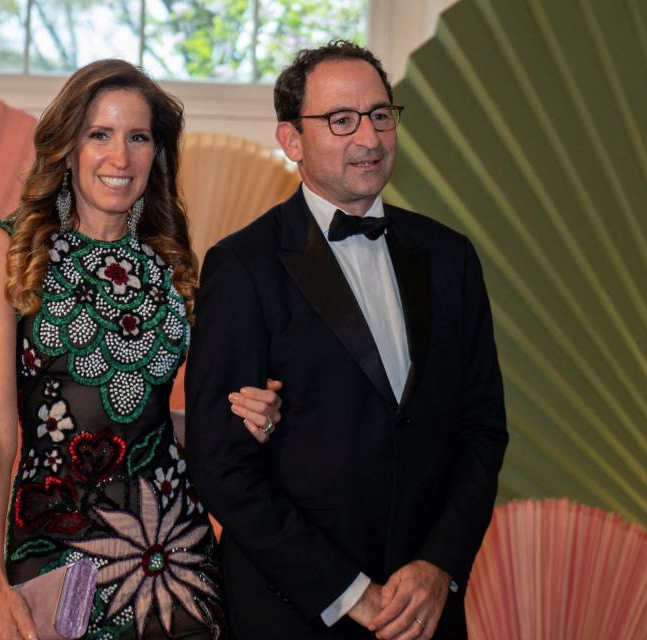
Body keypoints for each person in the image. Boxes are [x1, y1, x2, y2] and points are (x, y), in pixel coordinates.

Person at [185, 41, 508, 639]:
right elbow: (220, 462)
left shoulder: (451, 257)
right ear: (291, 140)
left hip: (425, 611)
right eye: (341, 120)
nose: (370, 137)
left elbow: (483, 429)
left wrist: (439, 565)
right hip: (293, 612)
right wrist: (349, 592)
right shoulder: (242, 265)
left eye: (381, 115)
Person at [0, 59, 284, 640]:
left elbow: (151, 420)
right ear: (67, 146)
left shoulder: (176, 266)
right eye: (100, 135)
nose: (121, 157)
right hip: (53, 549)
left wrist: (247, 419)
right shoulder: (9, 251)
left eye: (138, 137)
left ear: (156, 153)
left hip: (173, 558)